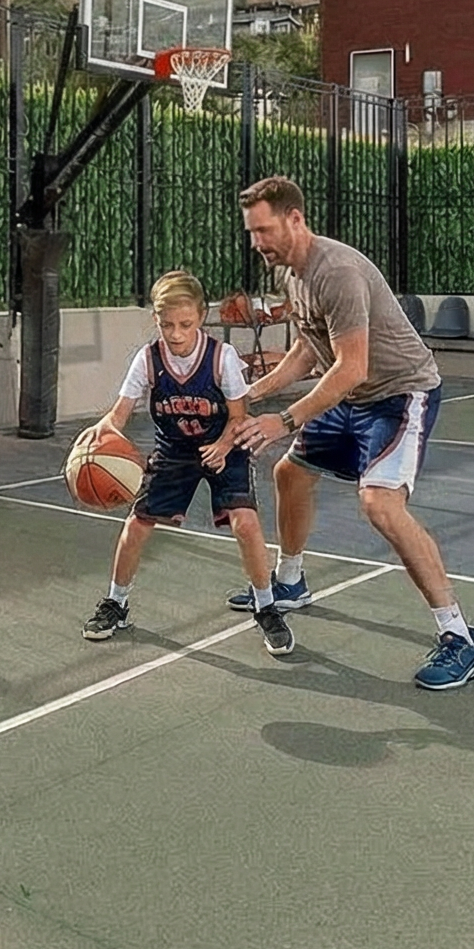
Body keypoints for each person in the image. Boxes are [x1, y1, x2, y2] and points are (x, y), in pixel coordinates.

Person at [228, 175, 474, 690]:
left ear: (295, 219)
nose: (257, 243)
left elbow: (351, 367)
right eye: (251, 232)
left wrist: (284, 418)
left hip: (398, 395)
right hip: (350, 396)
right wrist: (253, 393)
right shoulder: (291, 275)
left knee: (380, 504)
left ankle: (461, 638)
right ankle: (291, 581)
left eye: (263, 230)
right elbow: (309, 350)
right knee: (290, 474)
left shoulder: (337, 271)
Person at [80, 270, 298, 658]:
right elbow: (120, 412)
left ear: (201, 318)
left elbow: (238, 414)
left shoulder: (221, 357)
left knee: (245, 522)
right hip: (175, 450)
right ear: (156, 321)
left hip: (224, 445)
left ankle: (266, 607)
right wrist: (102, 429)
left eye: (185, 324)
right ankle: (117, 603)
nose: (176, 333)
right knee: (137, 523)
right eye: (167, 325)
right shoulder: (148, 359)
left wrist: (223, 444)